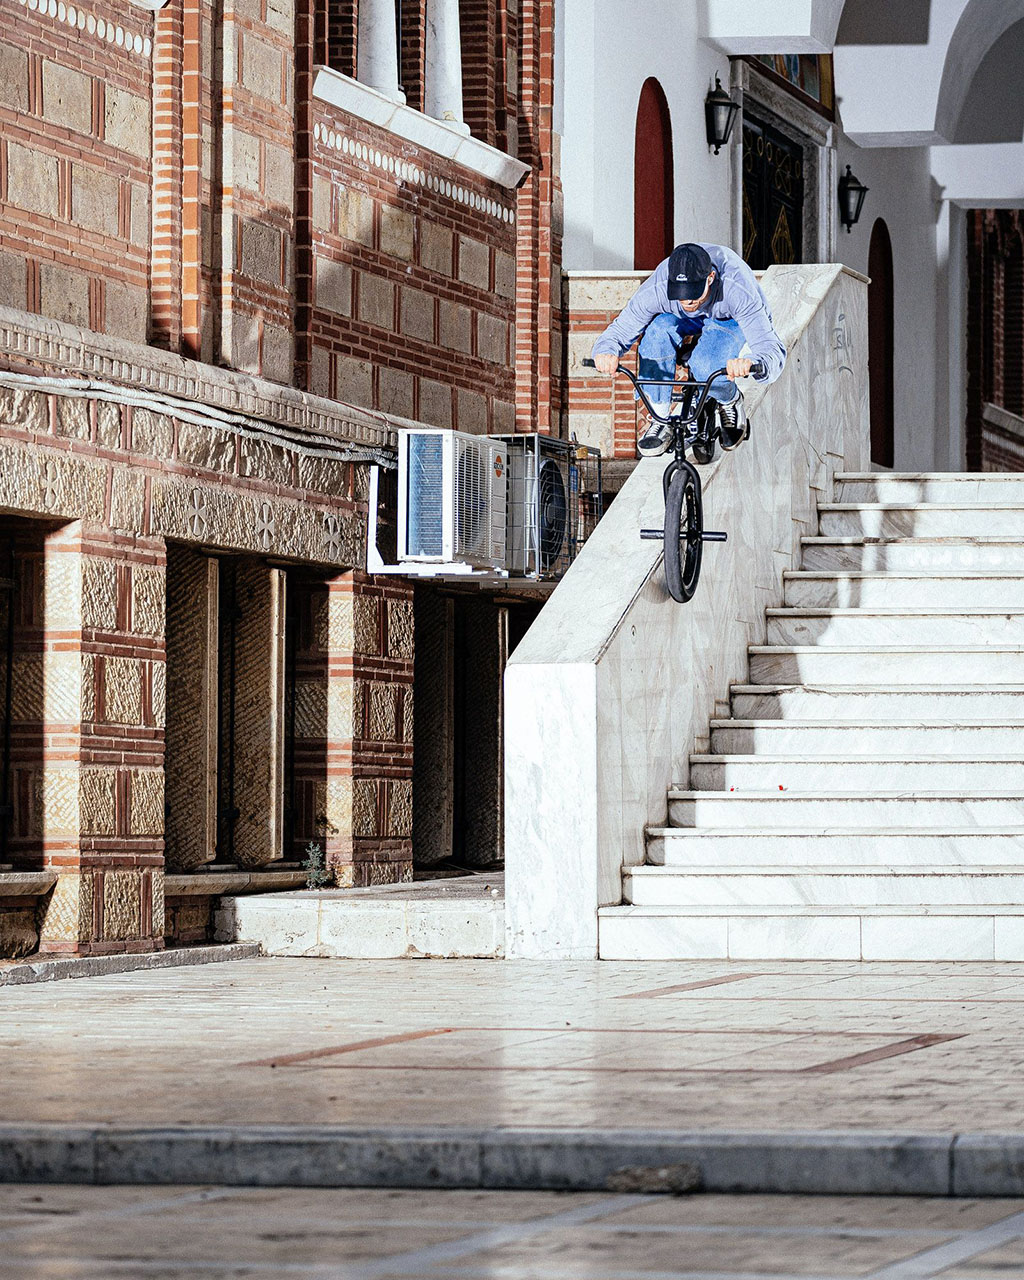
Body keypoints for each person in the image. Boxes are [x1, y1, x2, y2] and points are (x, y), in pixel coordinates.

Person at [591, 242, 787, 457]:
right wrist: (606, 351)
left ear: (710, 278)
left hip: (728, 317)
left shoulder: (737, 289)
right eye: (680, 294)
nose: (687, 300)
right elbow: (622, 328)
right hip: (681, 318)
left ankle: (729, 400)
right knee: (656, 334)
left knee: (706, 364)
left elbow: (769, 347)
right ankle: (659, 416)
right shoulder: (658, 288)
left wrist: (754, 362)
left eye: (693, 293)